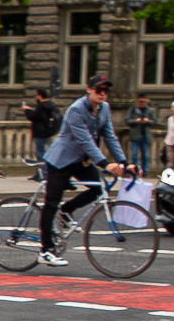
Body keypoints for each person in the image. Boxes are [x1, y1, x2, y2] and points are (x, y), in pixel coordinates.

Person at [35, 74, 125, 266]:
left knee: (99, 188)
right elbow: (85, 140)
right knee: (51, 203)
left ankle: (67, 210)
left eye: (106, 90)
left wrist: (123, 161)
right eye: (99, 90)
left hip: (79, 160)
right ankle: (45, 250)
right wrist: (104, 163)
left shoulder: (104, 108)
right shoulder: (76, 109)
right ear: (89, 90)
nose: (103, 94)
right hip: (60, 160)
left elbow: (109, 135)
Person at [23, 89, 58, 169]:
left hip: (40, 132)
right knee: (42, 152)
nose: (36, 97)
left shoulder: (42, 106)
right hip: (47, 131)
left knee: (40, 154)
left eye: (36, 95)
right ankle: (39, 174)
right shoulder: (50, 105)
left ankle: (43, 174)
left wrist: (27, 110)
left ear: (40, 95)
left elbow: (35, 117)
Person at [126, 94, 156, 174]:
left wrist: (147, 121)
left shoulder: (150, 110)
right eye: (140, 101)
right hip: (135, 135)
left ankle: (145, 171)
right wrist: (136, 120)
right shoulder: (132, 109)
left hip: (145, 135)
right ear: (137, 101)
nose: (142, 103)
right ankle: (135, 170)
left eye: (143, 101)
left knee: (145, 155)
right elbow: (127, 120)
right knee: (134, 154)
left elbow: (154, 121)